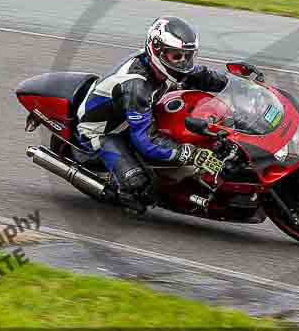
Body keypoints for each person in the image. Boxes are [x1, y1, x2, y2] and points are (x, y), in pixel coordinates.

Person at [76, 16, 228, 212]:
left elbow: (202, 75)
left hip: (129, 118)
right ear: (157, 51)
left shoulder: (162, 63)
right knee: (140, 188)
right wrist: (191, 154)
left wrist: (237, 84)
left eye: (187, 56)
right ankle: (119, 190)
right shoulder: (136, 86)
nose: (183, 63)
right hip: (102, 132)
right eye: (177, 56)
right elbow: (147, 142)